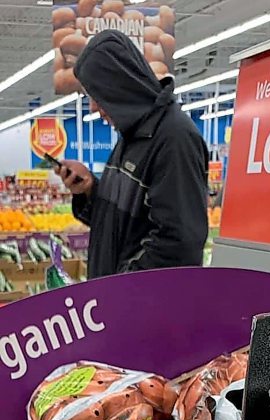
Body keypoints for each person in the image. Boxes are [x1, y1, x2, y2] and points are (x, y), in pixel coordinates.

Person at [55, 30, 209, 279]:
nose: (94, 107)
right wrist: (90, 191)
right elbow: (124, 226)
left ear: (117, 85)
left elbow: (179, 244)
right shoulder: (132, 136)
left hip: (143, 309)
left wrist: (120, 291)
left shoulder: (174, 139)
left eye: (96, 95)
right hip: (118, 301)